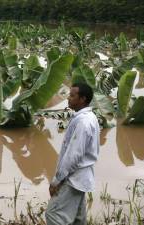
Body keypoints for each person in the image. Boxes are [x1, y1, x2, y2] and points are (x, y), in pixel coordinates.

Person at [45, 83, 100, 225]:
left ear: (82, 99)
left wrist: (57, 181)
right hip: (81, 178)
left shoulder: (83, 122)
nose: (68, 98)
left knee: (53, 214)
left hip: (73, 178)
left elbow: (73, 156)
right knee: (77, 219)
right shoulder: (90, 117)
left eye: (72, 95)